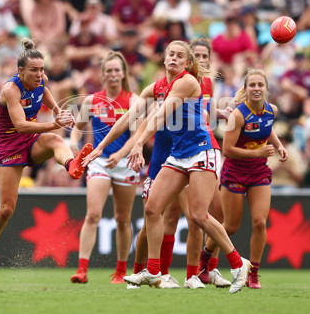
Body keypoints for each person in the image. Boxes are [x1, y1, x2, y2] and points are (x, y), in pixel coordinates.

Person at [117, 40, 252, 293]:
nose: (174, 59)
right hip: (179, 154)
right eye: (171, 54)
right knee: (152, 208)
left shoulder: (187, 81)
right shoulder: (163, 85)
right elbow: (140, 115)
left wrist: (138, 144)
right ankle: (154, 270)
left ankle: (238, 263)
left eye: (180, 56)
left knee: (199, 215)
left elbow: (160, 115)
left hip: (202, 150)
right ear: (164, 58)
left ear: (187, 63)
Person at [0, 37, 94, 283]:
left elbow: (45, 92)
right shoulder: (10, 90)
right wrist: (55, 122)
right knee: (7, 209)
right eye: (34, 70)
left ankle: (72, 166)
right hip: (9, 147)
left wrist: (58, 110)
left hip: (31, 141)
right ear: (20, 71)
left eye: (42, 69)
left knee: (55, 141)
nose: (39, 75)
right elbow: (20, 125)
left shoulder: (42, 81)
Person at [198, 68, 288, 290]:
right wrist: (258, 152)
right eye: (252, 85)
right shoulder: (237, 115)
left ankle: (253, 274)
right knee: (230, 226)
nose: (256, 89)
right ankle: (204, 261)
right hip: (235, 173)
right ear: (246, 89)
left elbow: (267, 127)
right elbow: (227, 150)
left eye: (260, 85)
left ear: (266, 89)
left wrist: (278, 144)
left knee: (260, 222)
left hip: (259, 173)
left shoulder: (271, 110)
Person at [69, 52, 140, 284]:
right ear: (102, 74)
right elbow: (78, 127)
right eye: (108, 70)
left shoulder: (133, 100)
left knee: (122, 218)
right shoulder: (91, 100)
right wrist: (73, 145)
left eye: (116, 70)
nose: (112, 74)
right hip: (99, 161)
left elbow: (136, 136)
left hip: (124, 163)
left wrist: (120, 154)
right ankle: (82, 270)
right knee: (93, 214)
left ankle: (120, 271)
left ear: (123, 73)